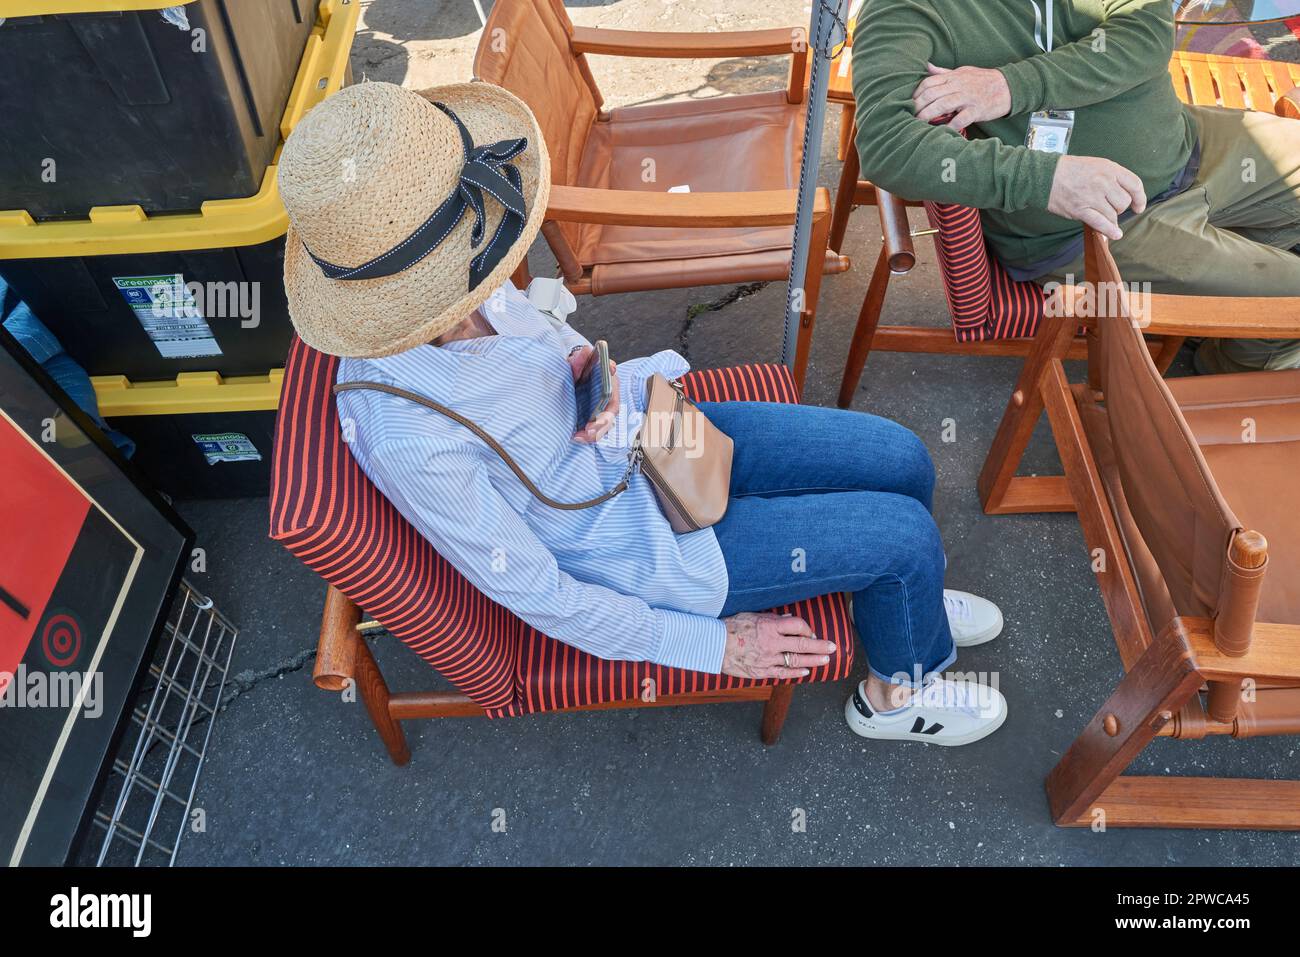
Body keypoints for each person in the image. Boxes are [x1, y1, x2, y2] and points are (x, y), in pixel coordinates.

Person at [276, 80, 1008, 745]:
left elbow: (549, 343)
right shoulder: (410, 435)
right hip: (639, 544)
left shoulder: (462, 255)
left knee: (903, 457)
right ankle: (892, 695)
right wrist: (716, 646)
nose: (490, 282)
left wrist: (596, 375)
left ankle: (906, 607)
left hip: (651, 434)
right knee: (906, 537)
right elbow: (540, 594)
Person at [851, 0, 1300, 373]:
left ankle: (1235, 311)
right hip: (1092, 226)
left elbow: (1145, 33)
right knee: (1293, 303)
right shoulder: (905, 9)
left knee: (1279, 274)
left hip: (1192, 146)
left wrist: (1011, 85)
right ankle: (1226, 364)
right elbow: (888, 144)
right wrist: (1047, 179)